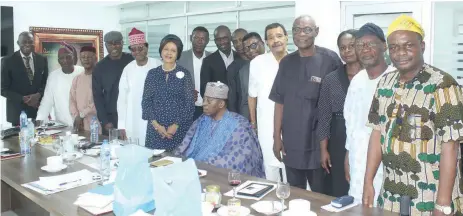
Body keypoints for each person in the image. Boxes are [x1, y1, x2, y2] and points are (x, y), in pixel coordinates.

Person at [363, 15, 463, 215]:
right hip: (391, 195)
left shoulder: (443, 85)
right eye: (394, 47)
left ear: (422, 46)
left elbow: (450, 146)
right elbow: (377, 134)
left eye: (408, 45)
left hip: (430, 197)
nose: (400, 53)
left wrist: (442, 204)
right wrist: (368, 182)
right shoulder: (385, 83)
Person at [269, 15, 343, 192]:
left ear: (316, 32)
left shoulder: (330, 60)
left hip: (319, 143)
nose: (301, 34)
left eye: (307, 30)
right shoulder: (286, 63)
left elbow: (339, 103)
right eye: (296, 30)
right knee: (295, 193)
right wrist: (276, 138)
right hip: (292, 142)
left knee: (321, 195)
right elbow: (279, 102)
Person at [344, 23, 395, 205]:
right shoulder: (357, 80)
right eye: (360, 45)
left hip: (386, 169)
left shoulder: (395, 80)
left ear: (384, 46)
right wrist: (348, 155)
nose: (365, 49)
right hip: (358, 162)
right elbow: (350, 122)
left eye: (370, 44)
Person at [175, 82, 265, 178]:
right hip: (194, 170)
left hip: (221, 176)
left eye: (209, 101)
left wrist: (207, 164)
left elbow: (241, 157)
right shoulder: (202, 120)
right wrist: (174, 159)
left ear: (221, 104)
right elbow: (185, 144)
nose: (204, 103)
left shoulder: (239, 125)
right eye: (204, 99)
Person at [317, 29, 363, 197]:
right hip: (338, 134)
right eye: (342, 48)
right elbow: (323, 116)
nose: (347, 51)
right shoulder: (331, 79)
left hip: (365, 132)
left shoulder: (371, 75)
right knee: (339, 185)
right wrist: (323, 149)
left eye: (352, 46)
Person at [248, 23, 289, 182]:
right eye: (271, 38)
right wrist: (253, 123)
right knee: (270, 169)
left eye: (279, 36)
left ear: (286, 37)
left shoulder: (295, 60)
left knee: (290, 171)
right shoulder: (257, 63)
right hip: (266, 126)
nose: (276, 40)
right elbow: (252, 95)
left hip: (292, 127)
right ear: (266, 42)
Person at [142, 34, 195, 151]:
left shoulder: (185, 74)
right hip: (155, 130)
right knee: (154, 164)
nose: (169, 53)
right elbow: (146, 102)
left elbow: (189, 104)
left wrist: (175, 126)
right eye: (166, 49)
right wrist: (156, 125)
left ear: (178, 54)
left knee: (176, 165)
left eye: (173, 50)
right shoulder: (152, 74)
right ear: (161, 51)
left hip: (178, 130)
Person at [117, 28, 162, 145]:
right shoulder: (128, 69)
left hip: (154, 118)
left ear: (147, 47)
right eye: (134, 49)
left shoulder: (158, 65)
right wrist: (121, 125)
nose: (137, 52)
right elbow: (122, 99)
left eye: (140, 48)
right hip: (132, 118)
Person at [1, 31, 48, 126]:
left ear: (33, 43)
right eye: (24, 42)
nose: (27, 44)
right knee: (18, 141)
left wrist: (38, 95)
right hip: (17, 113)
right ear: (18, 43)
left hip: (37, 111)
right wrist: (22, 99)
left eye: (30, 41)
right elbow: (3, 89)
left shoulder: (42, 59)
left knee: (40, 139)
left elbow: (46, 83)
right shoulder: (7, 61)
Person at [93, 31, 134, 134]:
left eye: (117, 43)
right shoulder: (100, 67)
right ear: (106, 45)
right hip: (111, 117)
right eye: (110, 44)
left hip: (132, 114)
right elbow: (97, 95)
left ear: (122, 43)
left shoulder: (132, 60)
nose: (114, 47)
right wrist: (104, 120)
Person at [36, 43, 85, 126]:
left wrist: (82, 116)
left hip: (83, 122)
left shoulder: (83, 73)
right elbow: (47, 101)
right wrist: (40, 119)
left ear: (73, 58)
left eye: (68, 57)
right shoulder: (53, 76)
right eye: (62, 58)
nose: (65, 60)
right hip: (62, 124)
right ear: (58, 60)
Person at [178, 26, 212, 120]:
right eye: (196, 38)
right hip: (186, 107)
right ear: (190, 38)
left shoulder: (213, 58)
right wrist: (186, 93)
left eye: (203, 39)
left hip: (209, 108)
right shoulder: (180, 58)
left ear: (208, 41)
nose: (199, 41)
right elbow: (173, 82)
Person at [200, 25, 241, 97]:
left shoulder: (240, 57)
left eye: (224, 38)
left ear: (230, 38)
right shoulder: (208, 61)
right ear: (215, 41)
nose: (222, 42)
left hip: (238, 106)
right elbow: (204, 89)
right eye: (218, 39)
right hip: (218, 106)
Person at [69, 46, 100, 133]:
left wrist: (82, 115)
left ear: (95, 58)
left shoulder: (100, 78)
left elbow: (98, 102)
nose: (86, 59)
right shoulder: (77, 78)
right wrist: (76, 116)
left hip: (96, 123)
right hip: (80, 124)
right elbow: (72, 100)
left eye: (89, 57)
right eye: (83, 57)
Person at [235, 32, 265, 120]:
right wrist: (246, 124)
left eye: (253, 45)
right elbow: (245, 102)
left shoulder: (276, 61)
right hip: (254, 120)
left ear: (262, 43)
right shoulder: (243, 71)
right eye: (246, 49)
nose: (251, 51)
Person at [226, 28, 249, 113]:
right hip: (243, 114)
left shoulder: (258, 60)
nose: (238, 44)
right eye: (235, 42)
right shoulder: (232, 68)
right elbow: (232, 99)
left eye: (241, 40)